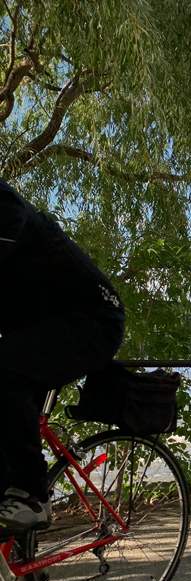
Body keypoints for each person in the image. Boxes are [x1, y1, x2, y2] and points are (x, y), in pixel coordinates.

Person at [0, 178, 125, 534]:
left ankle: (32, 495)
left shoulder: (4, 208)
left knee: (3, 369)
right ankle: (17, 565)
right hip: (42, 326)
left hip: (94, 321)